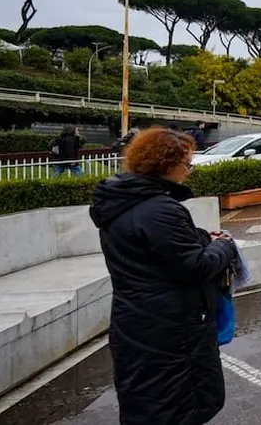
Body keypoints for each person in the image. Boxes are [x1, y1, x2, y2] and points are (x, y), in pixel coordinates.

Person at [90, 127, 238, 425]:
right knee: (175, 408)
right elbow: (196, 266)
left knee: (146, 405)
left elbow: (153, 250)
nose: (189, 172)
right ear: (165, 164)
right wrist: (224, 246)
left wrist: (199, 238)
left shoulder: (122, 204)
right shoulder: (160, 209)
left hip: (137, 324)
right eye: (187, 164)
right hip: (170, 333)